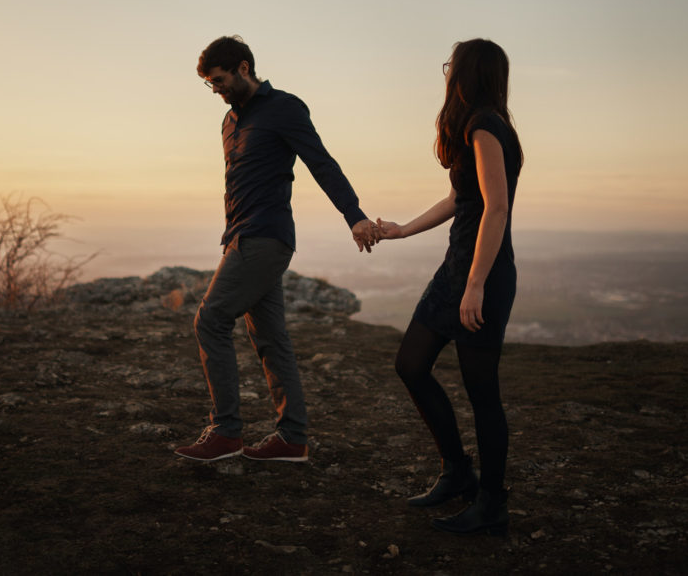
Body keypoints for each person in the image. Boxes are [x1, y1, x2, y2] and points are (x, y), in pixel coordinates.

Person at [175, 35, 379, 463]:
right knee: (270, 337)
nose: (216, 90)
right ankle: (292, 439)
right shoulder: (230, 121)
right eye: (209, 84)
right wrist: (230, 235)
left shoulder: (285, 107)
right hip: (242, 237)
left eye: (220, 80)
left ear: (244, 68)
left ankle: (226, 432)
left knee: (210, 320)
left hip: (266, 237)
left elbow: (321, 163)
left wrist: (354, 215)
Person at [376, 38, 523, 536]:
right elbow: (463, 198)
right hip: (456, 271)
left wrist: (477, 284)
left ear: (465, 74)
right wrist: (402, 229)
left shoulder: (484, 126)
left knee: (483, 394)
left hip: (483, 275)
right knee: (411, 364)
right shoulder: (480, 125)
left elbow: (496, 207)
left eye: (450, 67)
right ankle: (458, 471)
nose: (446, 74)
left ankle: (492, 504)